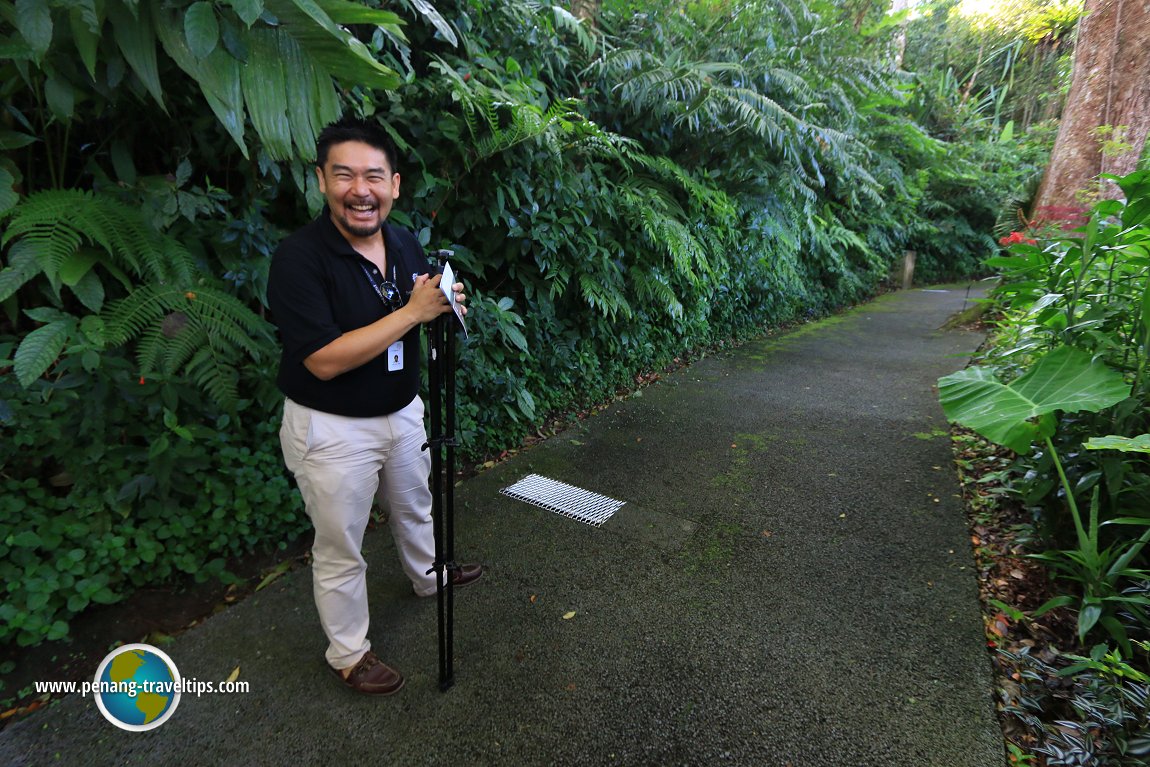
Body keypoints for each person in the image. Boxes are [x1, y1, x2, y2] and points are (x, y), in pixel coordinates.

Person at [267, 117, 482, 696]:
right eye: (344, 175)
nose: (360, 189)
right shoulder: (298, 259)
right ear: (321, 181)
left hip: (402, 410)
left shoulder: (405, 240)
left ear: (394, 185)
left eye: (373, 177)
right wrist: (415, 312)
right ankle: (349, 653)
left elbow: (424, 304)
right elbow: (323, 360)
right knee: (341, 547)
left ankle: (429, 575)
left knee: (417, 506)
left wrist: (447, 302)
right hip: (333, 429)